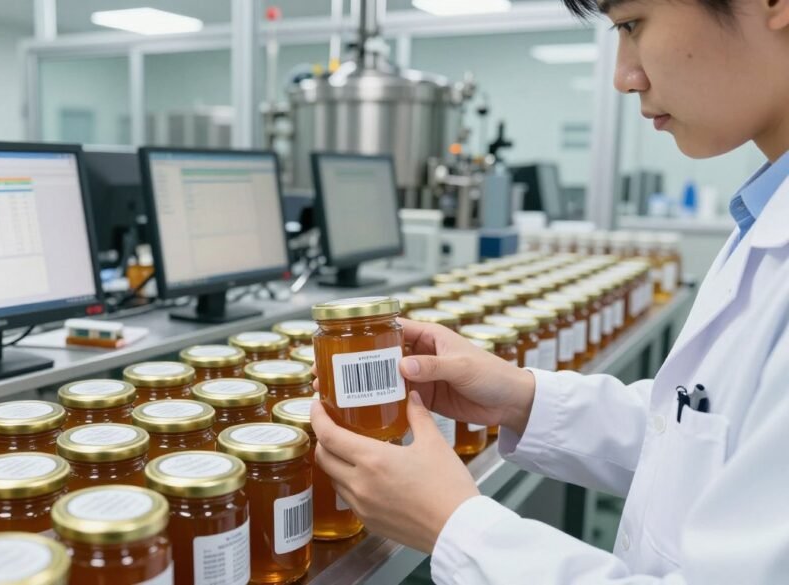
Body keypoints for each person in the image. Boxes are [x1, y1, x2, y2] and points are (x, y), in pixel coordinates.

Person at [309, 0, 789, 582]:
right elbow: (701, 431)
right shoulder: (763, 217)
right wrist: (518, 397)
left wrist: (454, 525)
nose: (623, 76)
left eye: (632, 24)